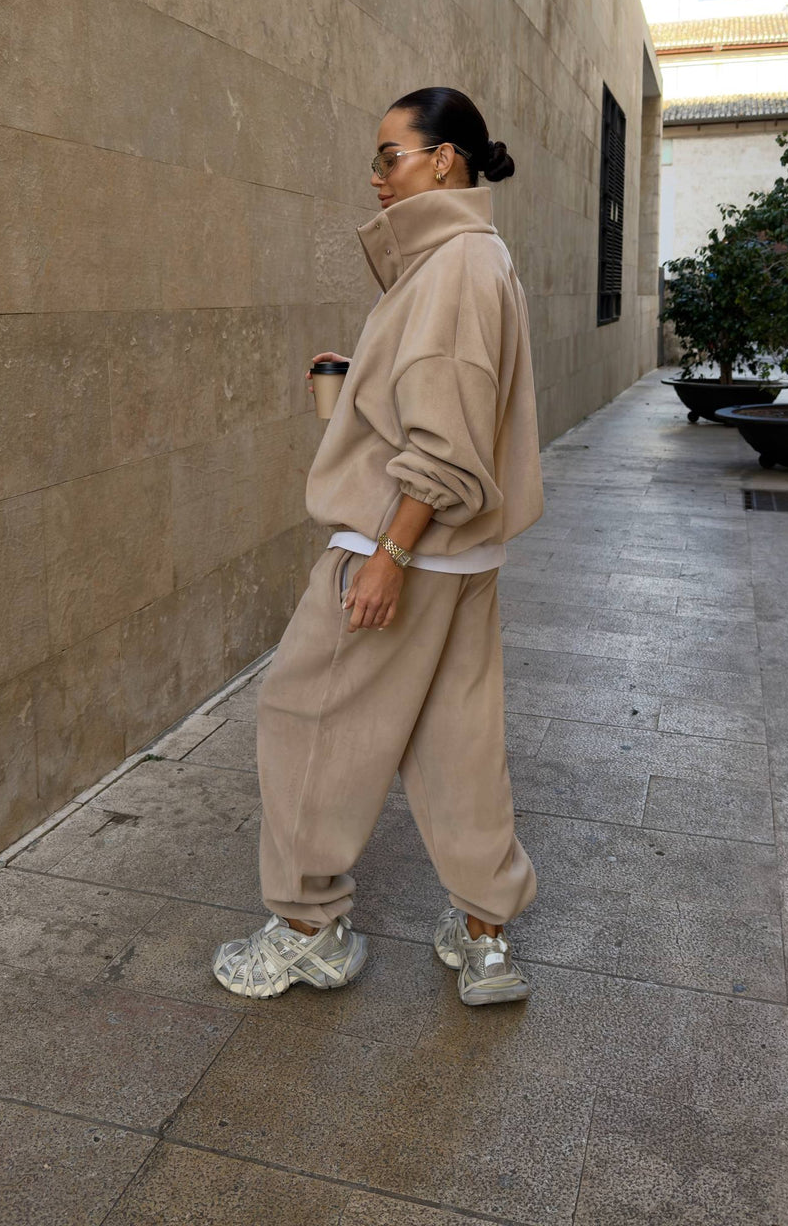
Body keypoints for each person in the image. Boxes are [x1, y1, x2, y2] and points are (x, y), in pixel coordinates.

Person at [212, 87, 544, 1006]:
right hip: (461, 556)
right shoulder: (474, 258)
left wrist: (388, 557)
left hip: (403, 547)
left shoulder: (452, 267)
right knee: (458, 746)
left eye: (391, 155)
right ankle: (484, 937)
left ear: (446, 161)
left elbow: (444, 444)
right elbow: (447, 404)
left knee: (306, 723)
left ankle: (308, 928)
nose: (377, 175)